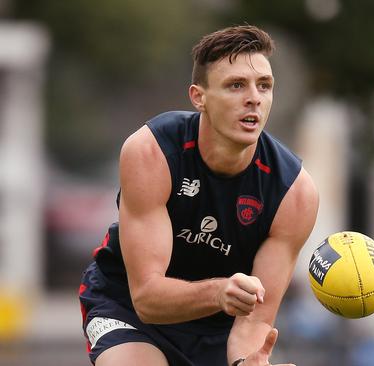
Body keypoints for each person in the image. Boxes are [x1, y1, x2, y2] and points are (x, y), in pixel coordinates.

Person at [78, 25, 319, 366]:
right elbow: (147, 298)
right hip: (129, 310)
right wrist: (219, 291)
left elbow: (256, 318)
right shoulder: (152, 151)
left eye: (264, 86)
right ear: (198, 97)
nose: (254, 97)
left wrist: (244, 363)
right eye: (236, 85)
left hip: (219, 330)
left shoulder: (294, 192)